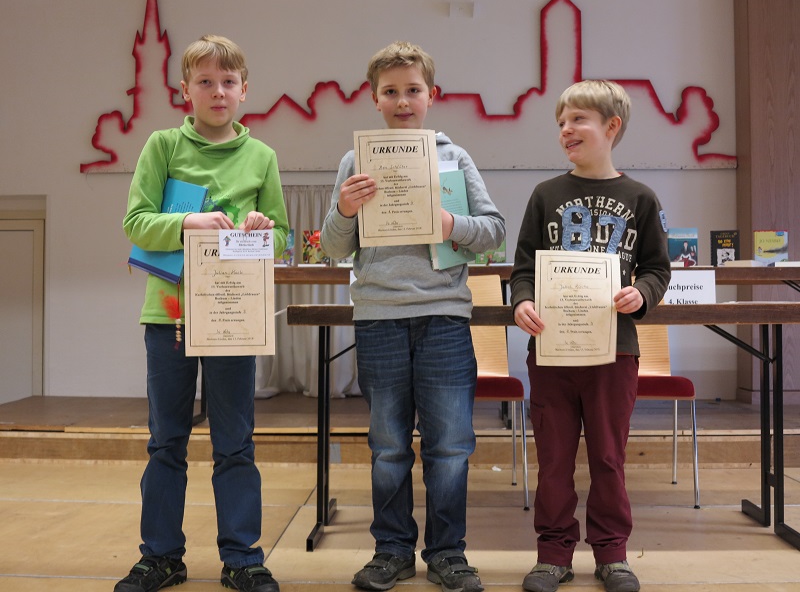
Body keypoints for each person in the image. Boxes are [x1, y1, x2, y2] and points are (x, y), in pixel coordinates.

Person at [320, 41, 505, 592]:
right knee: (388, 446)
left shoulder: (455, 158)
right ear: (374, 99)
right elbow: (333, 247)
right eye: (391, 91)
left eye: (413, 90)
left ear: (431, 95)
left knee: (451, 445)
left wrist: (451, 225)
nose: (403, 101)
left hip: (444, 317)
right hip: (378, 317)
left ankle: (448, 553)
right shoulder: (355, 161)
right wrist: (345, 209)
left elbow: (494, 232)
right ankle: (392, 551)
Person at [118, 34, 289, 592]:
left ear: (245, 91)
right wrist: (188, 223)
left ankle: (243, 558)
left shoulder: (262, 157)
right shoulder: (163, 145)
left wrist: (263, 231)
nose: (218, 91)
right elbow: (136, 223)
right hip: (169, 315)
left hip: (233, 319)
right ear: (185, 90)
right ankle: (160, 556)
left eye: (228, 82)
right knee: (166, 440)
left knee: (235, 443)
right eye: (206, 81)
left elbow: (281, 238)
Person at [510, 80, 670, 592]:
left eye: (578, 119)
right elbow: (523, 269)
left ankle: (613, 555)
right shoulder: (545, 195)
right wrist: (522, 301)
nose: (566, 129)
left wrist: (642, 293)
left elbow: (657, 269)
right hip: (551, 351)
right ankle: (553, 555)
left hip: (614, 351)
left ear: (611, 126)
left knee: (608, 458)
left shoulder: (641, 198)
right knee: (554, 459)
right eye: (561, 122)